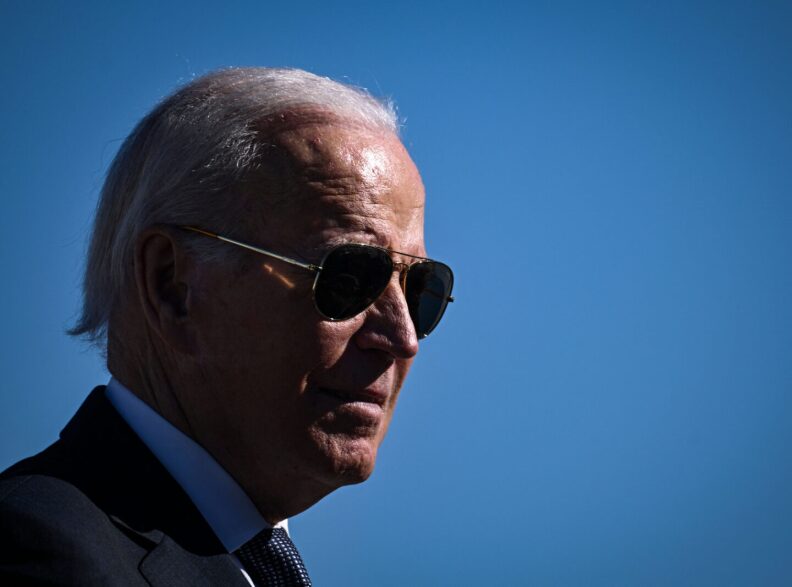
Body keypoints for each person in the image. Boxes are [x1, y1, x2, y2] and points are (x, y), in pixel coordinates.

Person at [0, 67, 454, 586]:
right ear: (172, 285)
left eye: (421, 290)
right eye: (348, 278)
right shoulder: (39, 553)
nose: (403, 340)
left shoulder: (244, 559)